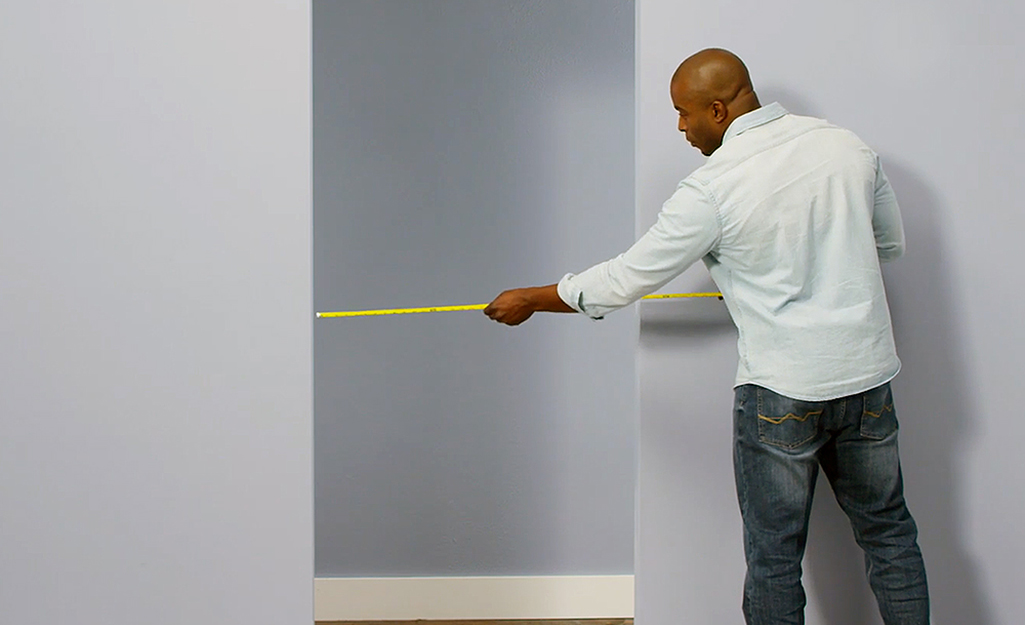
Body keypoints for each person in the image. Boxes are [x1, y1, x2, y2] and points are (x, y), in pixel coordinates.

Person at [483, 48, 929, 625]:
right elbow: (888, 245)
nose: (680, 127)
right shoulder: (846, 146)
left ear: (717, 110)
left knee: (773, 558)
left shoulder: (712, 189)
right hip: (867, 384)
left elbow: (623, 279)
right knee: (890, 536)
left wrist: (532, 299)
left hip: (781, 395)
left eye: (683, 113)